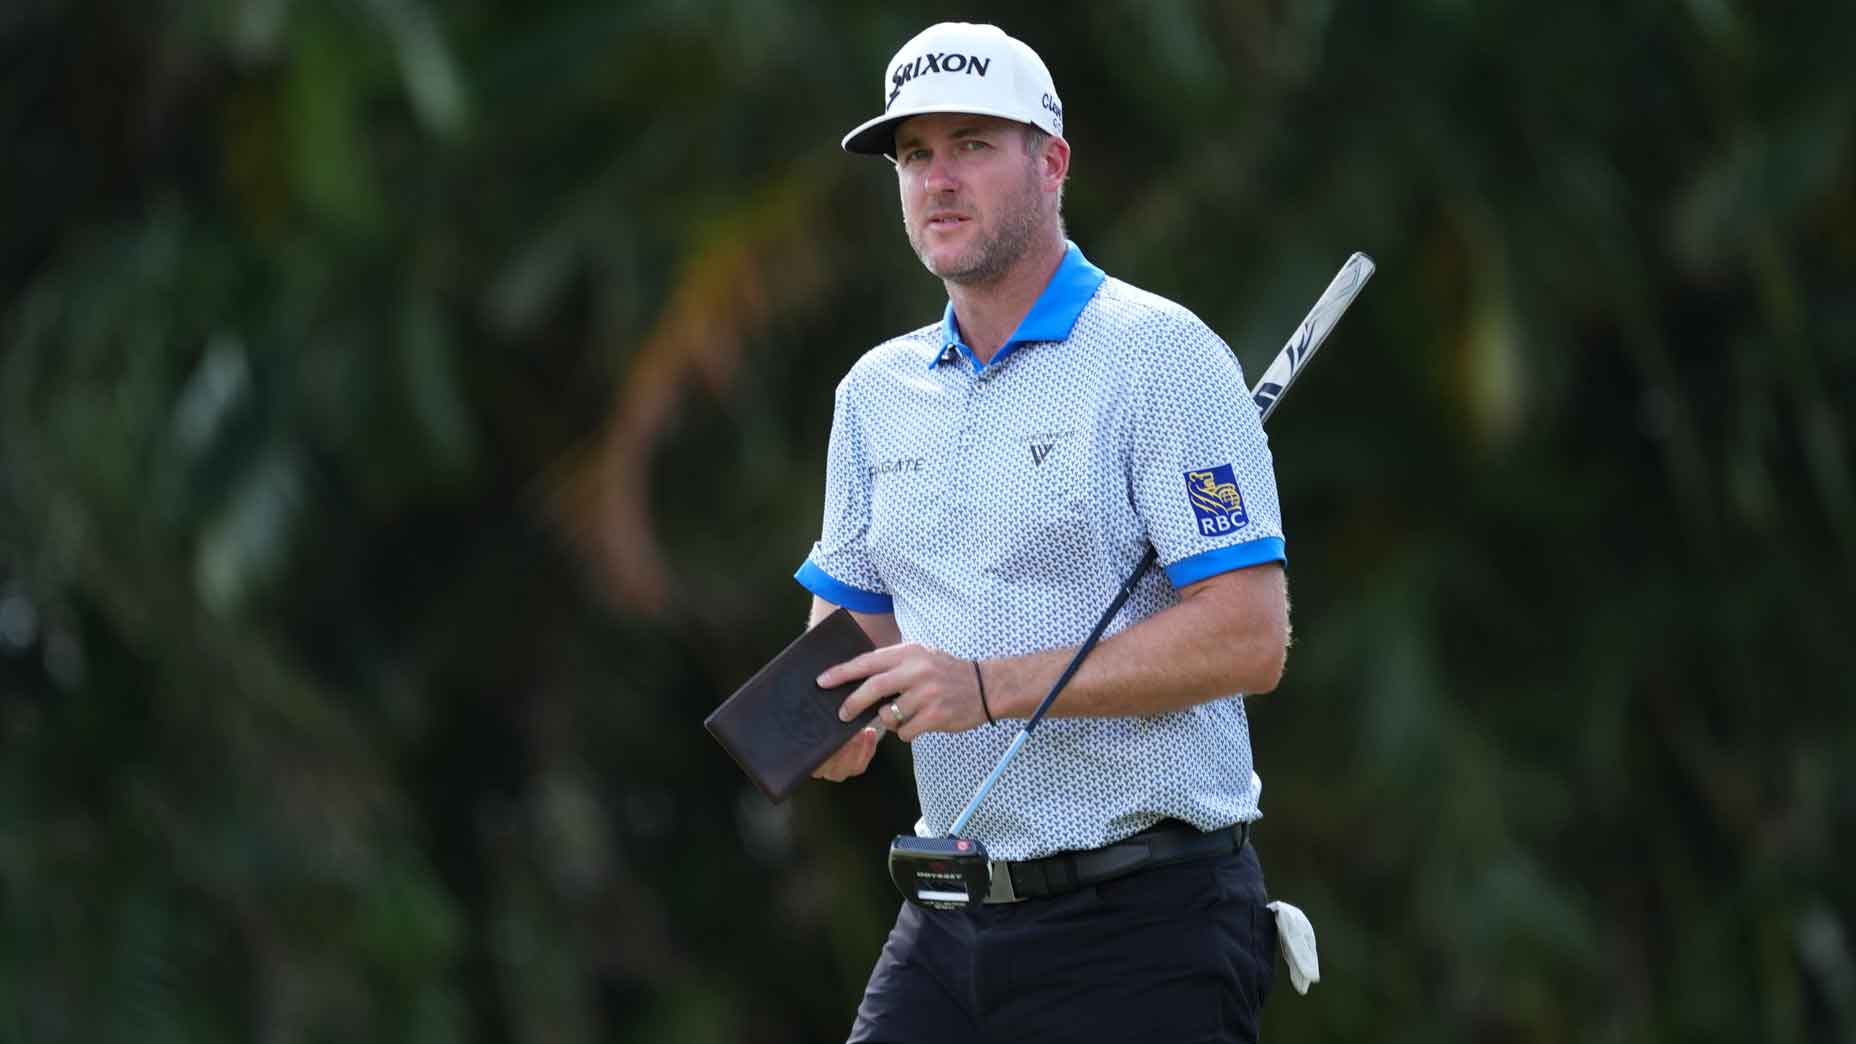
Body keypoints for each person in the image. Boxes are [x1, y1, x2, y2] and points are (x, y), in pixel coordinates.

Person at [795, 21, 1290, 1043]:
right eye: (914, 154)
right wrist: (820, 731)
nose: (937, 179)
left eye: (971, 143)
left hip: (1146, 921)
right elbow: (848, 647)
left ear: (1050, 162)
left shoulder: (1158, 357)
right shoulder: (872, 394)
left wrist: (983, 688)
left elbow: (1247, 637)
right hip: (948, 926)